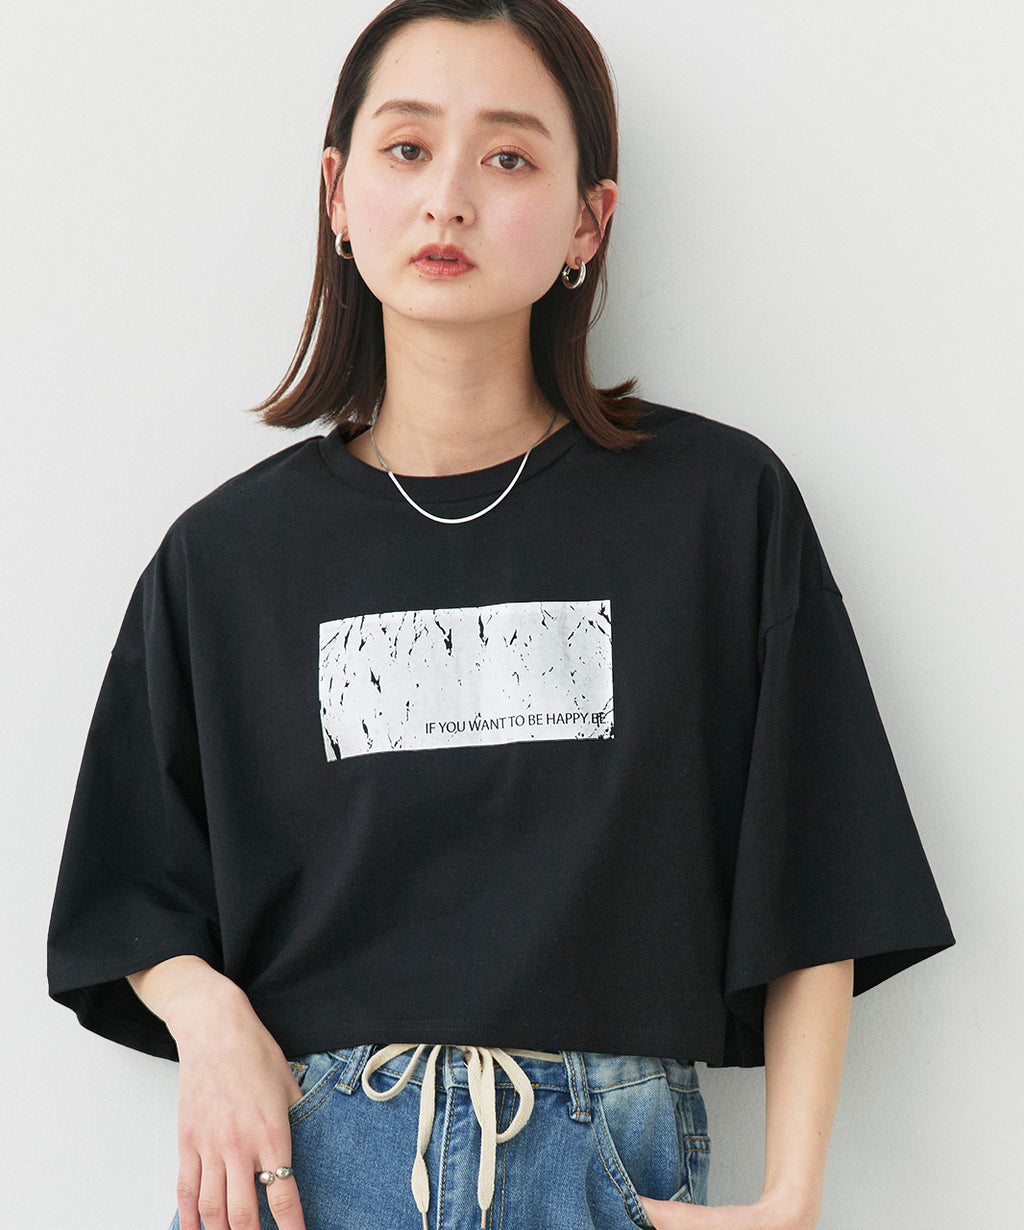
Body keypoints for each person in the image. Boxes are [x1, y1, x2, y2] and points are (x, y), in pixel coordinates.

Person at [47, 2, 954, 1228]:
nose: (448, 200)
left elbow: (818, 863)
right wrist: (206, 1018)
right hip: (312, 1170)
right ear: (337, 193)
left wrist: (790, 1199)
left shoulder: (713, 509)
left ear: (589, 219)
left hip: (600, 1170)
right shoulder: (227, 558)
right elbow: (124, 894)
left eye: (510, 157)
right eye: (408, 147)